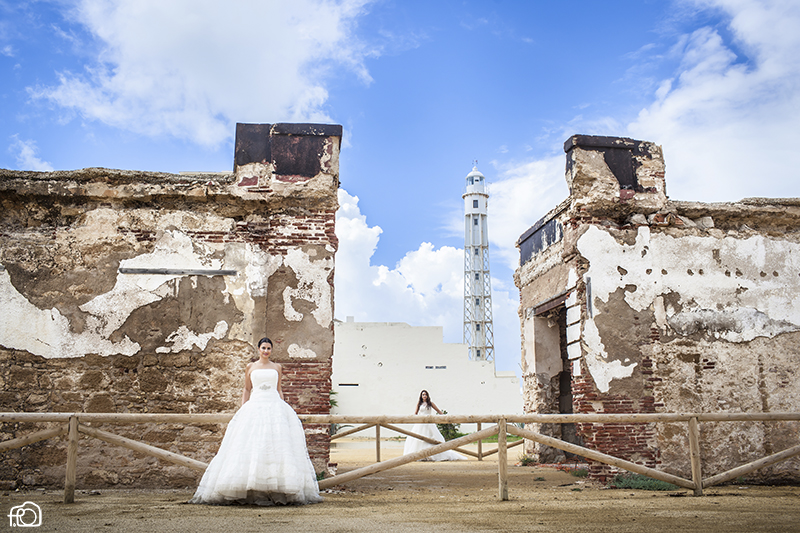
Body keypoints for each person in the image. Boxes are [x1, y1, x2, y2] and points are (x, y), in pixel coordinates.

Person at [189, 337, 322, 506]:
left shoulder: (277, 367)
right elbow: (247, 389)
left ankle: (278, 487)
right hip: (255, 405)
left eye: (269, 348)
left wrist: (283, 407)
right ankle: (248, 486)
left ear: (271, 350)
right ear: (258, 349)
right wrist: (243, 409)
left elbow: (279, 389)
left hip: (274, 405)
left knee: (277, 445)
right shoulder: (250, 367)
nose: (266, 351)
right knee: (251, 444)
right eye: (263, 348)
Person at [402, 390, 465, 461]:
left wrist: (444, 417)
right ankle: (418, 455)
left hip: (429, 422)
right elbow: (415, 413)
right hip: (421, 423)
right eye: (423, 395)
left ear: (427, 396)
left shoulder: (430, 403)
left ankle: (431, 453)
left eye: (425, 394)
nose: (424, 396)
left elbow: (438, 411)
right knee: (418, 438)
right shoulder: (419, 404)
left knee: (432, 437)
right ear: (421, 396)